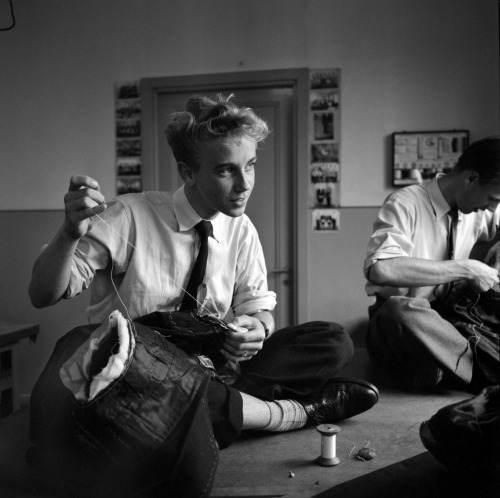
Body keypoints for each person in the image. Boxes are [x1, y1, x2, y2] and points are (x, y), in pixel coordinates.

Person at [28, 94, 378, 496]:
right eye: (227, 170)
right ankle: (290, 413)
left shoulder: (241, 229)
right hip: (142, 372)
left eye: (250, 166)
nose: (245, 184)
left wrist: (254, 330)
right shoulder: (128, 215)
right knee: (87, 353)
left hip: (216, 366)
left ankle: (215, 411)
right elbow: (43, 294)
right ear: (187, 171)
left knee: (331, 340)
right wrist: (69, 234)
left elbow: (258, 308)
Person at [364, 136, 500, 392]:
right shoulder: (405, 203)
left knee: (462, 324)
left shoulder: (480, 209)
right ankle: (480, 368)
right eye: (493, 198)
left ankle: (446, 366)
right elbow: (381, 268)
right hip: (402, 325)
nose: (493, 208)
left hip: (451, 322)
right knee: (400, 310)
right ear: (470, 178)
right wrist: (468, 268)